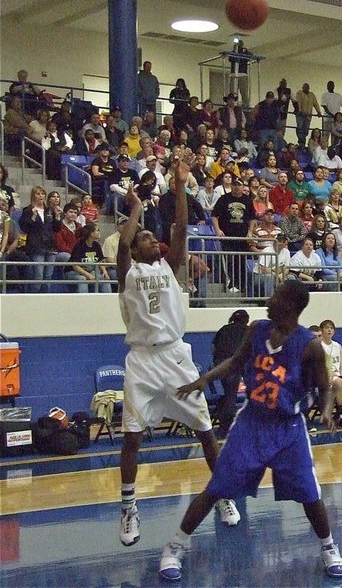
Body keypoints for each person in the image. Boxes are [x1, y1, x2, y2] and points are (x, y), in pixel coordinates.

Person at [158, 281, 342, 581]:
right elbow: (236, 362)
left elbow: (325, 387)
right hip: (251, 424)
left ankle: (329, 548)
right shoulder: (257, 330)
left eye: (276, 296)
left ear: (290, 305)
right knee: (216, 488)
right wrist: (205, 379)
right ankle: (174, 547)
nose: (269, 301)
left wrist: (326, 410)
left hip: (288, 429)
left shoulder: (309, 345)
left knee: (310, 495)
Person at [116, 155, 240, 552]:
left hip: (174, 356)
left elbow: (182, 228)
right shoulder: (129, 272)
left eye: (153, 238)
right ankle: (129, 507)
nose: (153, 240)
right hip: (141, 360)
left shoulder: (169, 267)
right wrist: (137, 208)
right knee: (132, 437)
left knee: (205, 430)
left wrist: (182, 186)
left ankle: (221, 493)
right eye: (146, 239)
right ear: (137, 250)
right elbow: (123, 243)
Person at [211, 310, 250, 437]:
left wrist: (217, 363)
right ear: (246, 320)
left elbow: (214, 348)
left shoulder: (224, 329)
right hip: (239, 363)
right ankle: (229, 427)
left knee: (229, 395)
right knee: (233, 397)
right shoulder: (248, 330)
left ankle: (224, 427)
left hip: (223, 364)